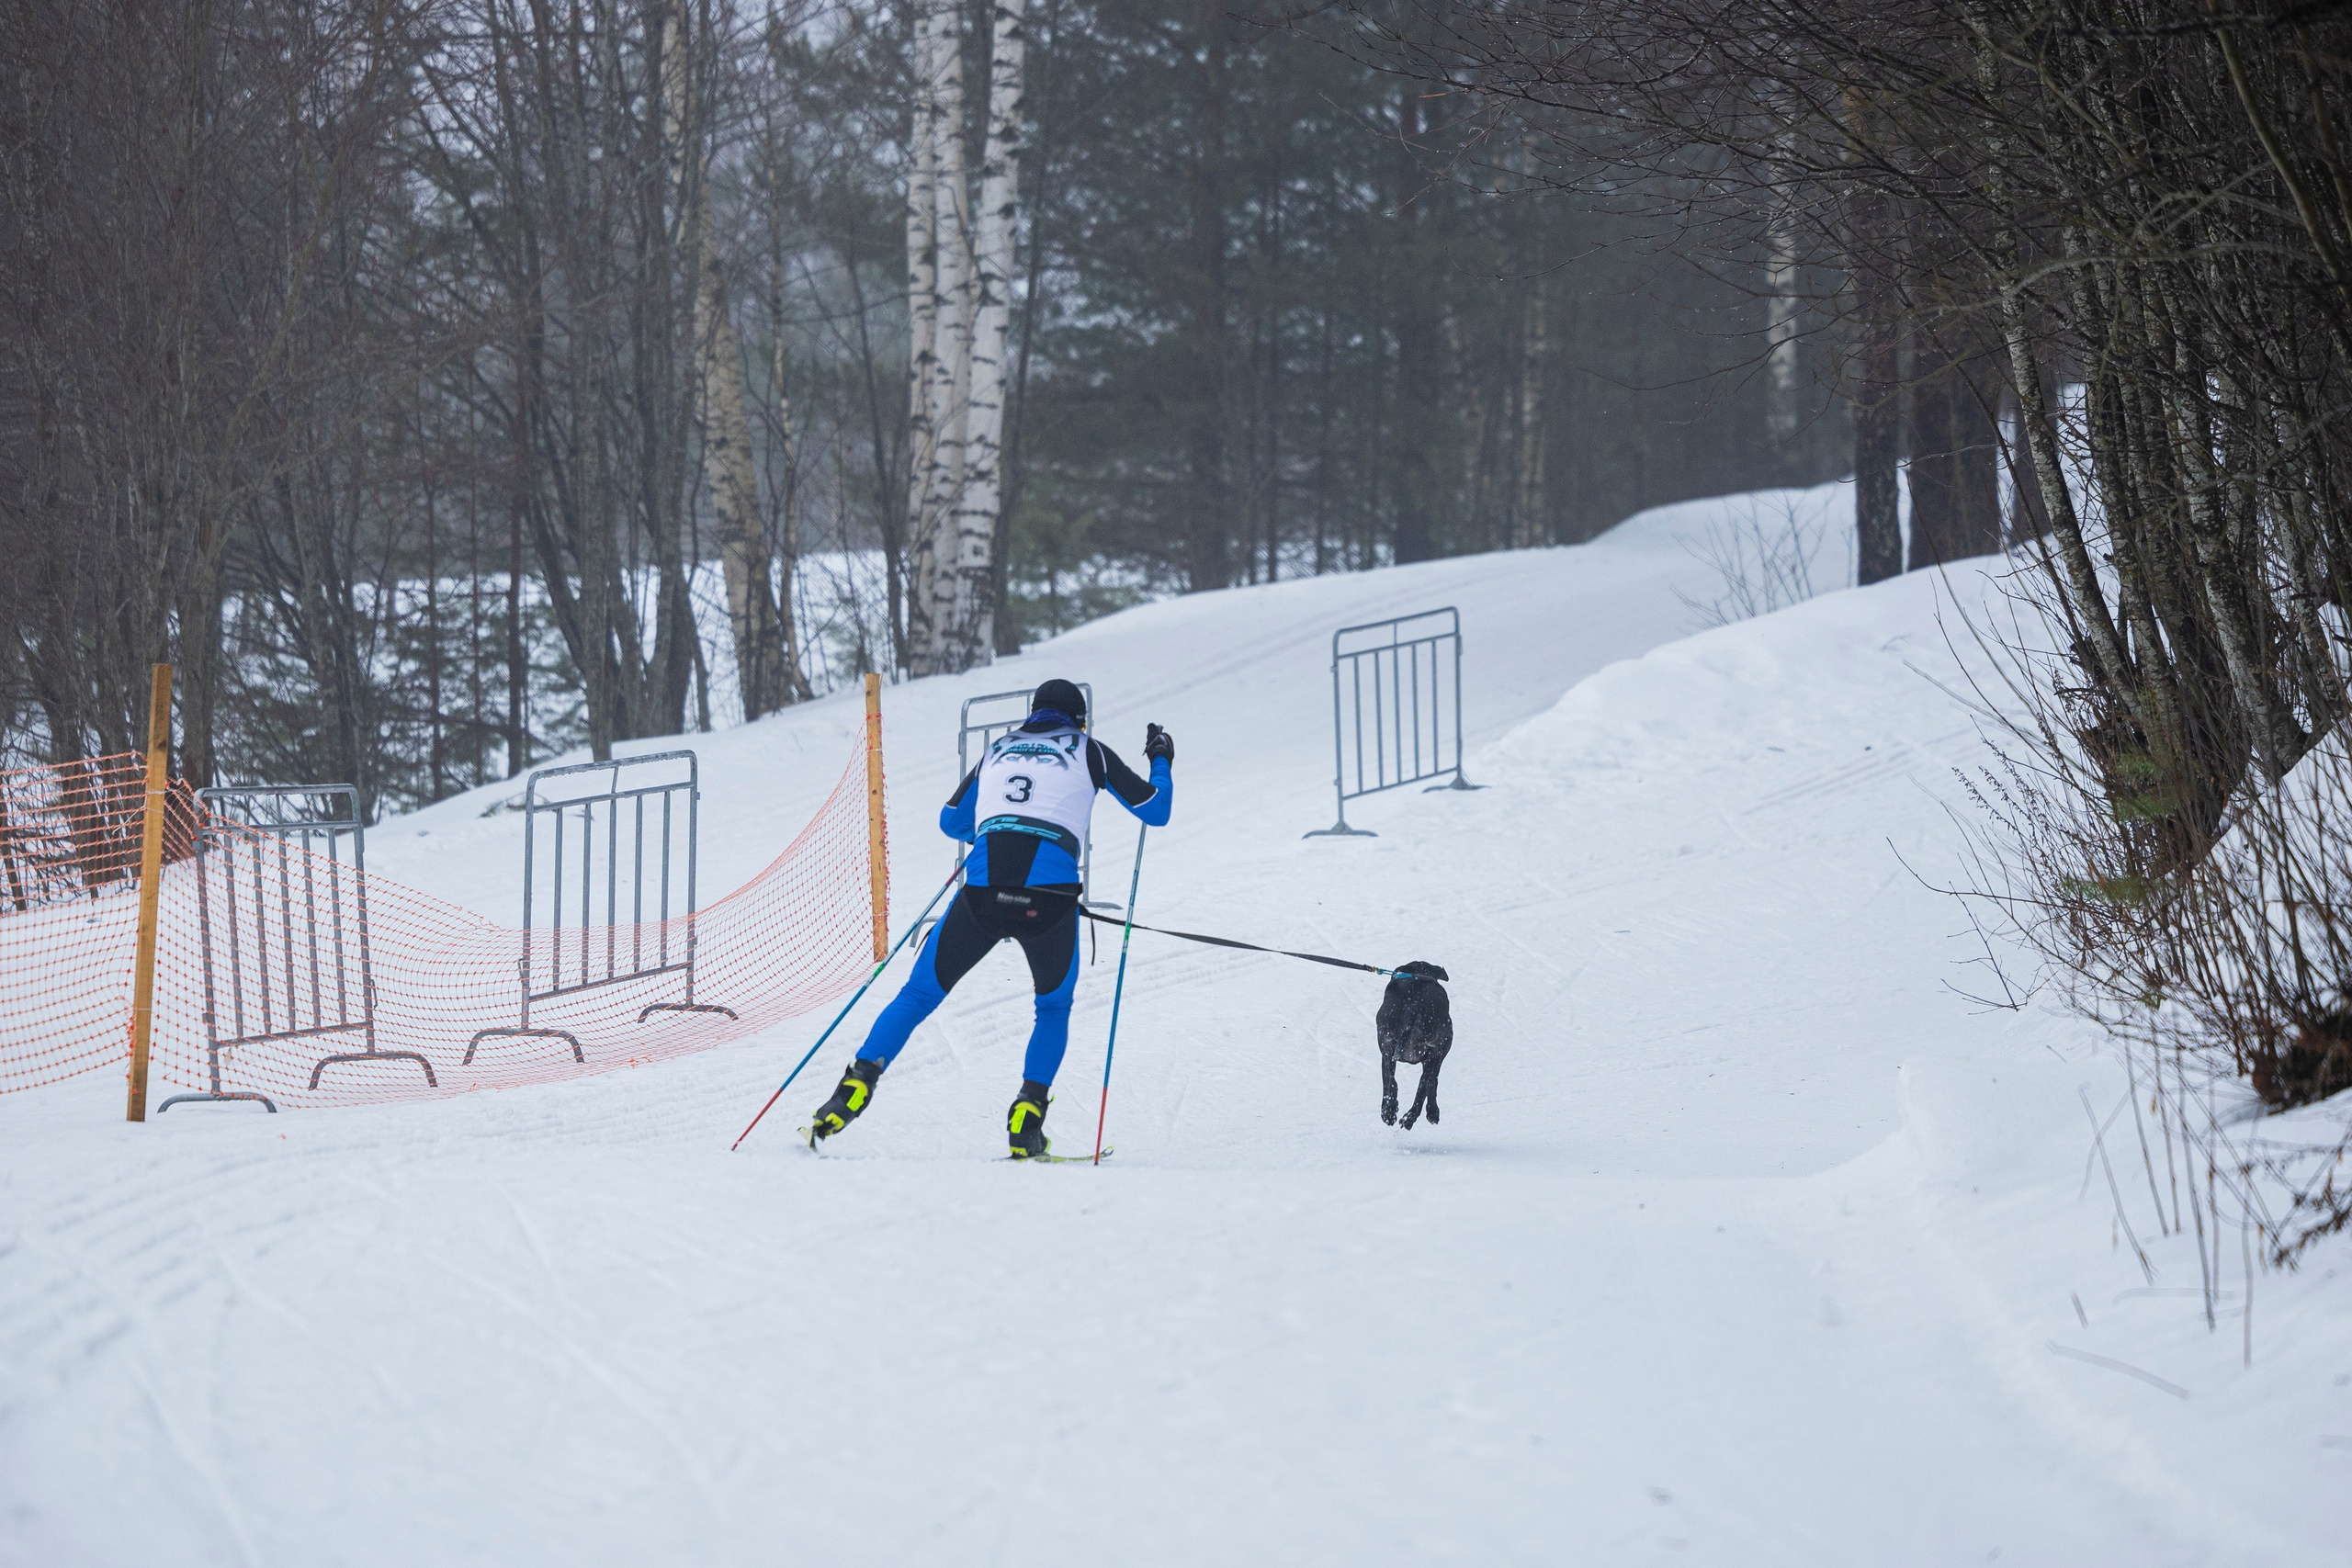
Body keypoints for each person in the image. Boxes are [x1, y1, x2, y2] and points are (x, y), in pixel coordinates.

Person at [808, 678, 1174, 1157]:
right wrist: (1161, 757)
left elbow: (950, 821)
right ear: (1078, 720)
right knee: (1052, 1009)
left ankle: (857, 1082)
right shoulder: (1090, 750)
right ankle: (1028, 1110)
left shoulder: (999, 748)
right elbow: (1157, 810)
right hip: (1050, 900)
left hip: (982, 893)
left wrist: (993, 820)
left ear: (1034, 714)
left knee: (917, 995)